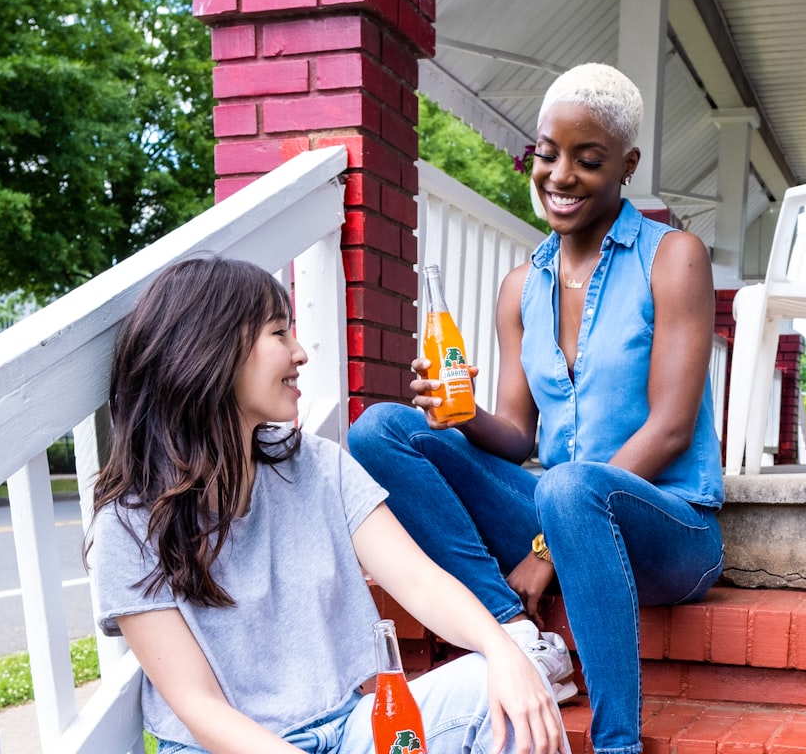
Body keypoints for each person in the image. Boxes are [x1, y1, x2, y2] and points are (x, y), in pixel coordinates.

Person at [348, 63, 724, 753]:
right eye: (547, 154)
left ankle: (616, 744)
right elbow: (518, 433)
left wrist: (545, 551)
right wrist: (459, 419)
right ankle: (520, 640)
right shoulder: (523, 284)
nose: (559, 176)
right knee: (379, 431)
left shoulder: (674, 258)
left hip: (668, 530)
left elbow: (669, 429)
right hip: (556, 505)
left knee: (570, 484)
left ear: (627, 165)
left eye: (587, 160)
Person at [88, 257, 567, 754]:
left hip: (347, 730)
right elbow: (199, 707)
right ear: (213, 353)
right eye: (278, 333)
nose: (300, 352)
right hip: (224, 748)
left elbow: (420, 581)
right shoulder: (129, 523)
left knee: (504, 688)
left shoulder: (316, 465)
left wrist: (502, 651)